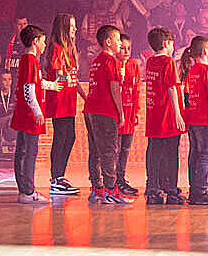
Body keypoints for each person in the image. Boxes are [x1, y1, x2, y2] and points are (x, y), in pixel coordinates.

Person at [11, 24, 61, 204]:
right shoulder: (30, 60)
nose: (45, 44)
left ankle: (24, 190)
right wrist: (37, 111)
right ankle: (28, 191)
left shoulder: (28, 60)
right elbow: (28, 89)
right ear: (35, 41)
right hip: (28, 115)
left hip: (24, 113)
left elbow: (36, 82)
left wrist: (51, 85)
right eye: (43, 40)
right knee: (29, 152)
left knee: (23, 151)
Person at [84, 25, 130, 205]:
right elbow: (114, 88)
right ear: (108, 42)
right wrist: (121, 111)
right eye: (117, 39)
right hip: (104, 111)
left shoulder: (96, 60)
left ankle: (97, 188)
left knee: (95, 150)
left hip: (90, 110)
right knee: (109, 150)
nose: (120, 43)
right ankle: (111, 190)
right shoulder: (111, 61)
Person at [180, 35, 208, 206]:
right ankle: (201, 192)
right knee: (205, 154)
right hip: (204, 119)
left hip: (192, 118)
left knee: (195, 154)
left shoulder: (190, 72)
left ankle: (195, 190)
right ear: (205, 51)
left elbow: (186, 97)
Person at [144, 27, 185, 206]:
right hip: (167, 115)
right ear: (167, 43)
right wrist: (178, 113)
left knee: (154, 153)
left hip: (153, 114)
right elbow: (171, 87)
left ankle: (153, 189)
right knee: (170, 154)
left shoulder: (150, 61)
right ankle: (171, 190)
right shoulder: (168, 62)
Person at [45, 13, 83, 196]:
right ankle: (56, 179)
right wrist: (62, 75)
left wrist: (84, 95)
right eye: (71, 26)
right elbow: (59, 74)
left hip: (69, 101)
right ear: (63, 28)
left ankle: (59, 177)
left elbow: (74, 79)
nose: (75, 29)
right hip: (59, 101)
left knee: (70, 137)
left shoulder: (70, 49)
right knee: (62, 137)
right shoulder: (57, 48)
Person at [114, 34, 140, 198]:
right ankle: (113, 181)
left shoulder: (133, 64)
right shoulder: (113, 64)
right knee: (115, 149)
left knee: (125, 148)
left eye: (128, 48)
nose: (126, 51)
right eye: (122, 48)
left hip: (130, 112)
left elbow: (136, 88)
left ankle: (121, 179)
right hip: (117, 113)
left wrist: (136, 111)